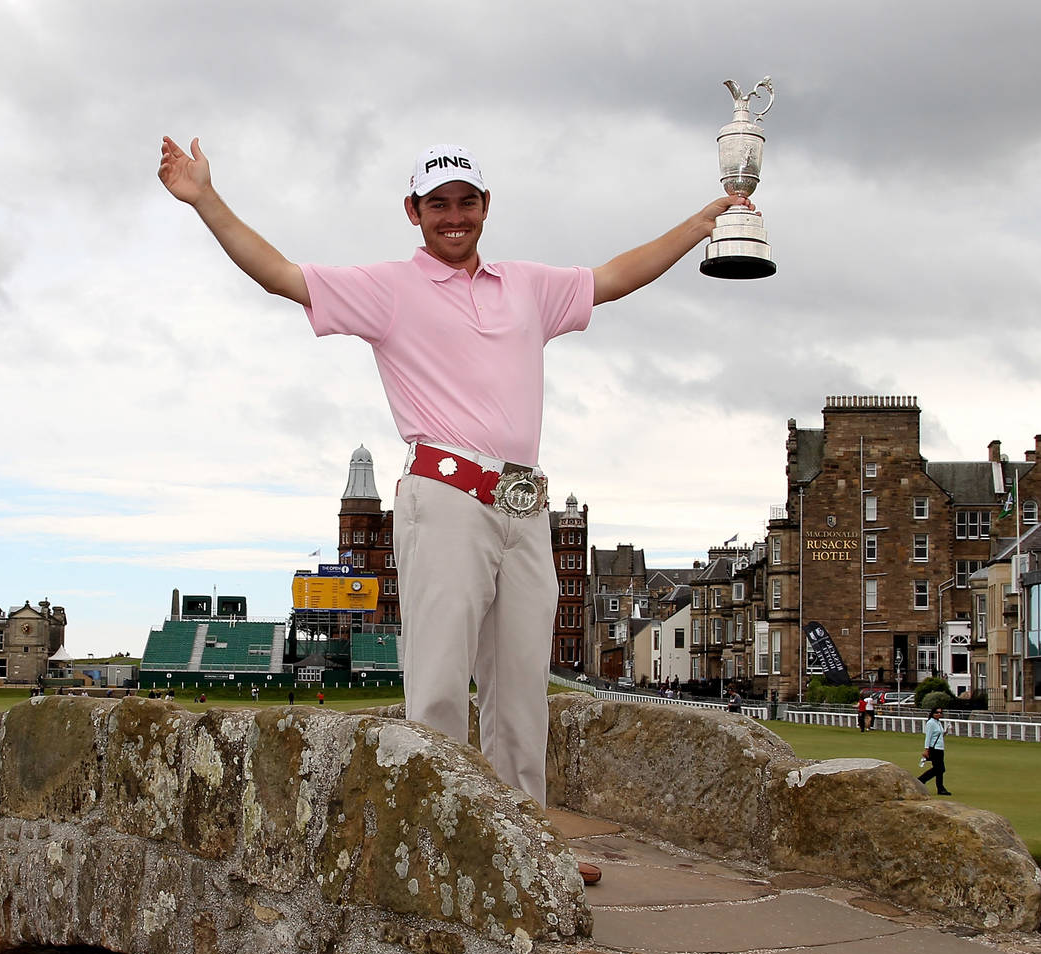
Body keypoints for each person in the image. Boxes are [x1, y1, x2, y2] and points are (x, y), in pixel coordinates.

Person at [158, 135, 746, 809]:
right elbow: (280, 275)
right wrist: (205, 198)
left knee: (523, 689)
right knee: (437, 686)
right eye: (438, 203)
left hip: (525, 508)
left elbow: (613, 277)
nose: (453, 215)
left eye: (466, 201)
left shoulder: (528, 285)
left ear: (486, 205)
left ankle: (527, 846)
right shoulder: (388, 289)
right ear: (413, 210)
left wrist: (702, 225)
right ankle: (433, 839)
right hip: (444, 499)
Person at [916, 705, 951, 795]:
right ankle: (921, 780)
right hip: (934, 748)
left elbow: (939, 735)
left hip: (940, 748)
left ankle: (939, 788)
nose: (939, 714)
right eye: (937, 712)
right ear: (932, 713)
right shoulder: (931, 723)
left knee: (939, 769)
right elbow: (928, 737)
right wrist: (926, 749)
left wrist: (946, 731)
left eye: (940, 712)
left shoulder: (938, 722)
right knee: (939, 769)